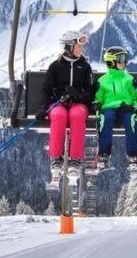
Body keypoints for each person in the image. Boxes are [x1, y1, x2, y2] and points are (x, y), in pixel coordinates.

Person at [36, 30, 95, 184]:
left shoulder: (85, 66)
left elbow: (90, 91)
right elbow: (46, 89)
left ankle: (75, 159)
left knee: (77, 115)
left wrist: (79, 95)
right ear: (69, 46)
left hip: (78, 104)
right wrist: (43, 107)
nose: (81, 48)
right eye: (78, 45)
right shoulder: (55, 66)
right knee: (59, 116)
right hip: (59, 103)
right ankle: (56, 158)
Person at [93, 46, 137, 172]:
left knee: (132, 120)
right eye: (121, 58)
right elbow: (98, 97)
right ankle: (103, 154)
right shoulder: (103, 81)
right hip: (109, 108)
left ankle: (132, 155)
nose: (124, 62)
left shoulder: (129, 79)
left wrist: (133, 106)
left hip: (126, 108)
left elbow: (136, 97)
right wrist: (96, 103)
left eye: (125, 58)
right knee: (106, 119)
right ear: (111, 61)